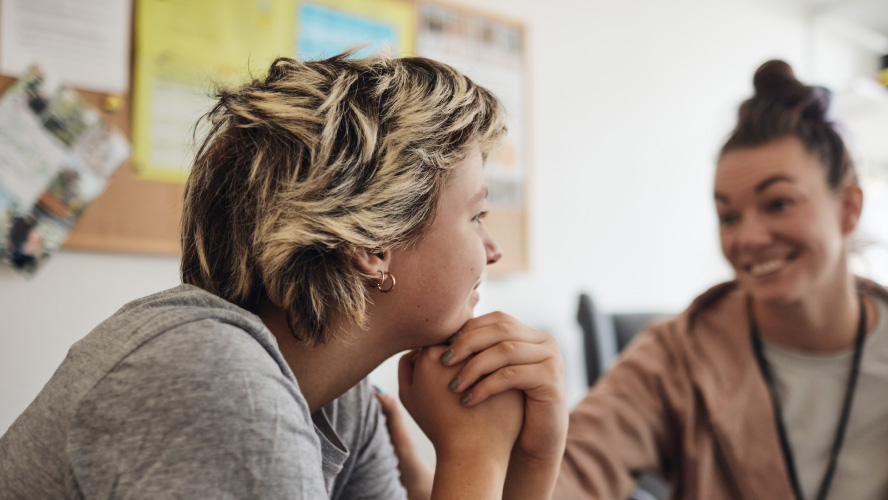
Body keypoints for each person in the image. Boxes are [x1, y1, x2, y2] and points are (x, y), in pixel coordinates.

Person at [0, 53, 567, 499]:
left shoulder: (336, 400)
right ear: (372, 244)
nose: (492, 251)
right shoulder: (215, 379)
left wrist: (534, 458)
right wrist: (475, 459)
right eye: (476, 215)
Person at [554, 60, 888, 499]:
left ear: (848, 207)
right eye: (728, 215)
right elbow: (575, 467)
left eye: (779, 203)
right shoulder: (677, 355)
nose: (747, 238)